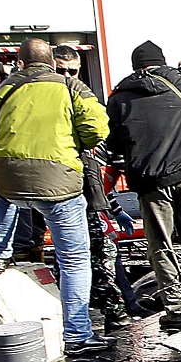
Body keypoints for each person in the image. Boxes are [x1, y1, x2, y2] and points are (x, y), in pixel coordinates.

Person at [0, 38, 113, 356]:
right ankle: (78, 335)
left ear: (20, 60)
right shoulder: (71, 87)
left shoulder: (5, 89)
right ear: (52, 61)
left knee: (4, 198)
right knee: (74, 259)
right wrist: (76, 140)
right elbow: (97, 129)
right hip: (57, 181)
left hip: (9, 176)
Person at [106, 40, 181, 330]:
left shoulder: (121, 97)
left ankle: (177, 308)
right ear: (162, 62)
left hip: (151, 181)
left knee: (162, 247)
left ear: (135, 67)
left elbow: (115, 144)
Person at [54, 45, 137, 331]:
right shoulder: (53, 109)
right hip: (63, 192)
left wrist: (113, 208)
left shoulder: (88, 105)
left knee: (104, 254)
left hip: (89, 197)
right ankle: (98, 316)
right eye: (60, 70)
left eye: (72, 71)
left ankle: (118, 311)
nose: (67, 76)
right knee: (78, 260)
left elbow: (103, 169)